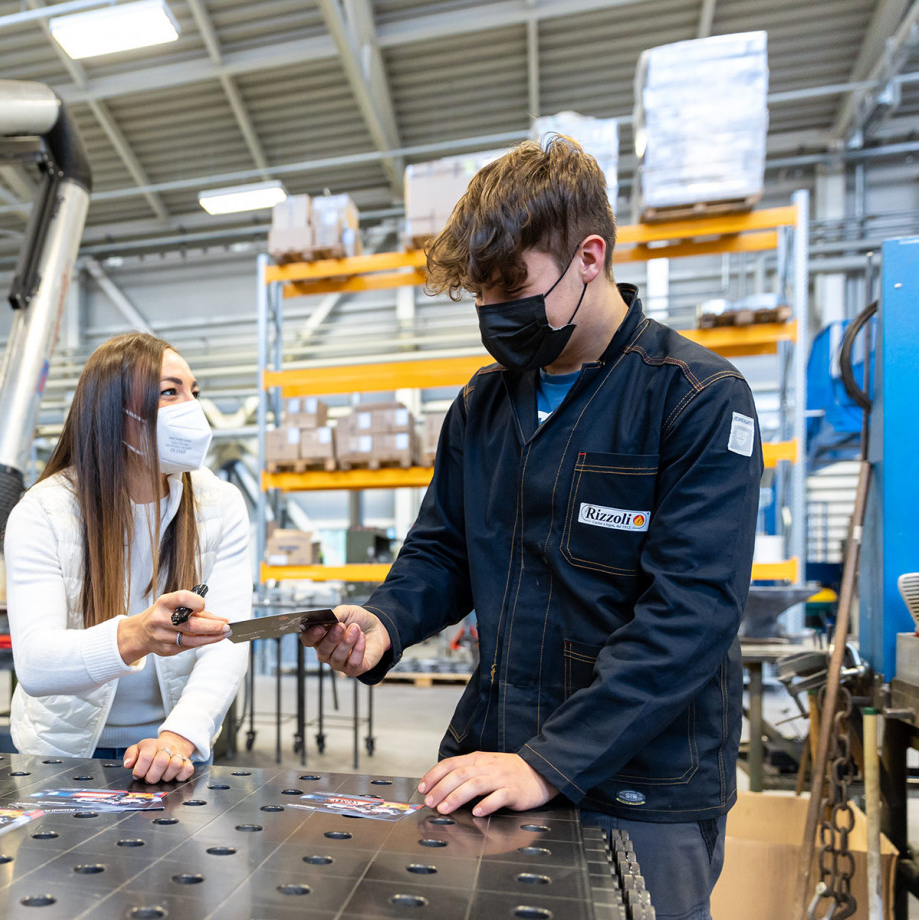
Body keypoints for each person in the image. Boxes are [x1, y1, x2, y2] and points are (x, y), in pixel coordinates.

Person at [302, 136, 762, 920]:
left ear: (590, 256)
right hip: (497, 761)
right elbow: (442, 547)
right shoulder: (483, 405)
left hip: (642, 787)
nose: (492, 313)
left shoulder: (697, 399)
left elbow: (689, 617)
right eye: (479, 292)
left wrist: (549, 763)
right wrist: (383, 620)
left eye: (511, 284)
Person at [5, 332, 251, 784]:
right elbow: (36, 663)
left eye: (194, 393)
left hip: (174, 753)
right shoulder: (44, 510)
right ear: (112, 412)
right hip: (62, 755)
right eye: (169, 392)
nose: (191, 409)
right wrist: (137, 634)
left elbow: (228, 642)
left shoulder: (220, 505)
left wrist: (178, 738)